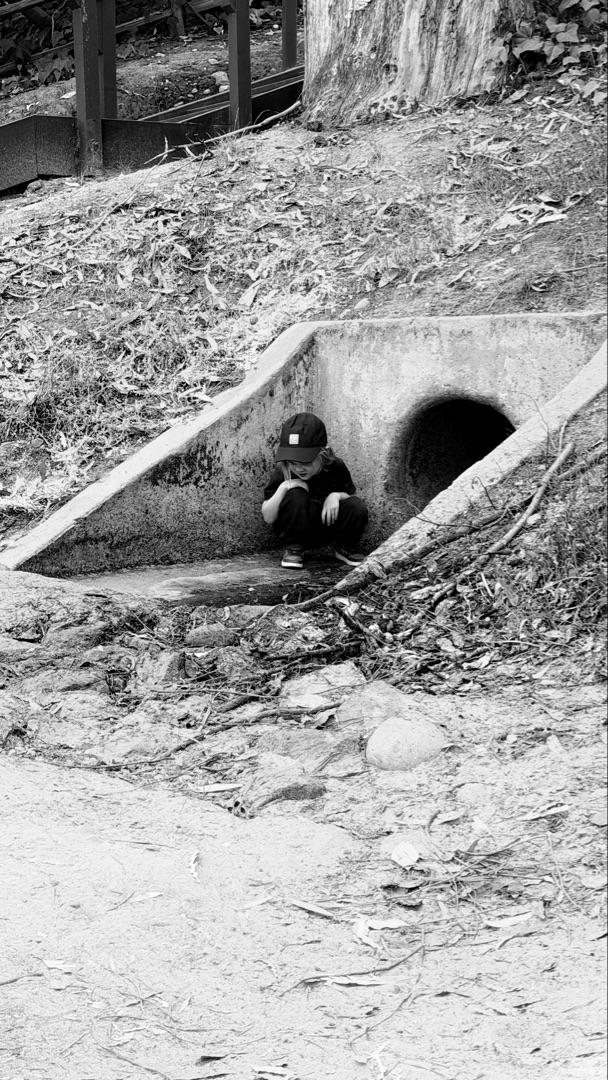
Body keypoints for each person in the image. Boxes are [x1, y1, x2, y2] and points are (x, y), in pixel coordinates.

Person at [261, 412, 369, 570]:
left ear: (323, 453)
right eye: (292, 462)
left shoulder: (336, 466)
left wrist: (335, 496)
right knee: (295, 494)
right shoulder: (283, 472)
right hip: (296, 531)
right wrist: (286, 487)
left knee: (356, 504)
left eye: (305, 461)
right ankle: (294, 549)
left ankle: (345, 547)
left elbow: (349, 495)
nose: (299, 468)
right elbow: (269, 517)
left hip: (327, 527)